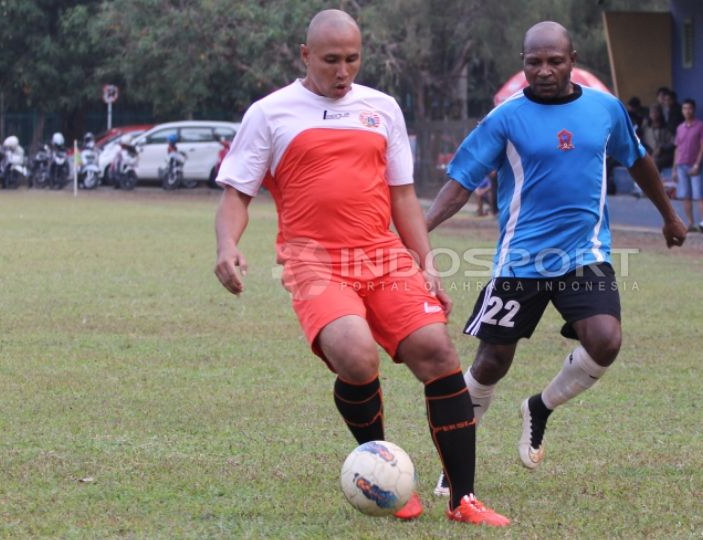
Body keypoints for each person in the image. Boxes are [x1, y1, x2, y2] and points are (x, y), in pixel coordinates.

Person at [212, 9, 510, 527]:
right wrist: (226, 245)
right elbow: (237, 193)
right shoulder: (270, 112)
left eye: (352, 59)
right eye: (330, 60)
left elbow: (402, 196)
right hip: (315, 260)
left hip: (382, 254)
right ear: (306, 56)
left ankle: (464, 499)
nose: (342, 70)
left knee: (437, 351)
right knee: (355, 354)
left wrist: (427, 263)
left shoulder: (382, 108)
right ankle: (384, 472)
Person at [424, 21, 686, 496]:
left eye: (554, 61)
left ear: (572, 60)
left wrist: (668, 215)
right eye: (533, 62)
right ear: (523, 62)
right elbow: (461, 181)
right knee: (491, 363)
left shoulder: (606, 110)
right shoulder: (505, 118)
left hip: (584, 255)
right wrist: (418, 232)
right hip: (520, 260)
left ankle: (540, 407)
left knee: (605, 340)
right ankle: (454, 458)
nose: (543, 71)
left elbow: (639, 159)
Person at [672, 98, 703, 230]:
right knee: (686, 196)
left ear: (694, 109)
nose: (687, 111)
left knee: (699, 195)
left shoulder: (700, 125)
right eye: (685, 108)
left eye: (690, 108)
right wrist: (674, 168)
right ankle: (691, 223)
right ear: (682, 111)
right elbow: (677, 148)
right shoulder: (679, 128)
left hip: (694, 164)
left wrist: (697, 164)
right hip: (681, 164)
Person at [640, 104, 674, 171]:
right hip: (650, 153)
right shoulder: (646, 129)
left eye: (656, 112)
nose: (654, 114)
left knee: (654, 162)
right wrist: (650, 151)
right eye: (652, 112)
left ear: (660, 113)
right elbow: (643, 143)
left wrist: (662, 148)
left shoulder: (666, 128)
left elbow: (672, 143)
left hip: (664, 154)